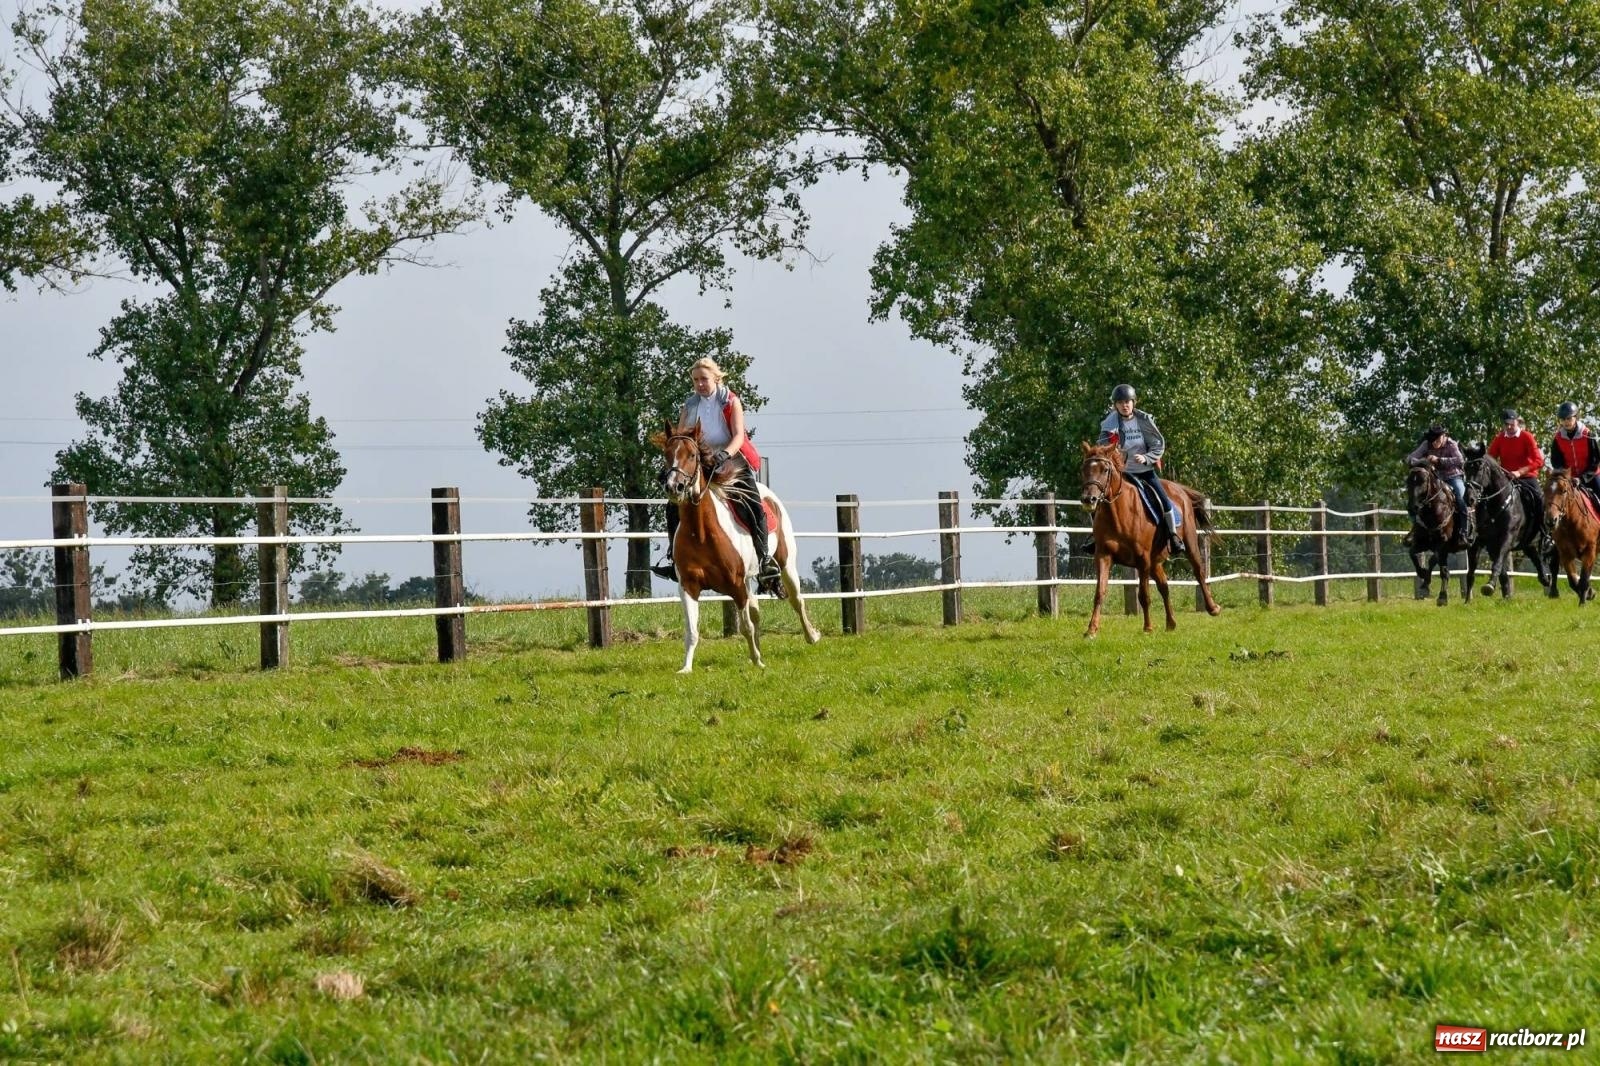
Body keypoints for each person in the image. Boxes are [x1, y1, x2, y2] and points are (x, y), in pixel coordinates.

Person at [650, 357, 783, 596]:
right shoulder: (690, 404)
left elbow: (739, 437)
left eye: (703, 379)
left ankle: (765, 560)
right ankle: (674, 559)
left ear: (716, 378)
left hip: (732, 463)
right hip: (700, 465)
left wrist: (725, 454)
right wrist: (672, 466)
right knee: (673, 506)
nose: (699, 384)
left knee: (752, 503)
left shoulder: (731, 401)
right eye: (695, 380)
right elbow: (680, 438)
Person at [1097, 384, 1183, 555]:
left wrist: (1147, 458)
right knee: (1099, 500)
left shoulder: (1144, 420)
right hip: (1122, 474)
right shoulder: (1109, 423)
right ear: (1115, 405)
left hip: (1144, 471)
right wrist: (1116, 456)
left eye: (1127, 401)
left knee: (1164, 501)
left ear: (1133, 402)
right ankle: (1096, 537)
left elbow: (1158, 445)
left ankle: (1173, 536)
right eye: (1120, 402)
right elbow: (1102, 446)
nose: (1124, 405)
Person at [1406, 424, 1472, 547]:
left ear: (1443, 436)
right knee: (1414, 498)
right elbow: (1410, 458)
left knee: (1461, 498)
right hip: (1436, 478)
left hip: (1453, 477)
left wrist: (1439, 460)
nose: (1434, 442)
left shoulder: (1451, 444)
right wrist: (1423, 462)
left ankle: (1464, 532)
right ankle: (1415, 530)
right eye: (1432, 439)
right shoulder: (1426, 444)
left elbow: (1460, 460)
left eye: (1437, 439)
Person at [1486, 408, 1545, 515]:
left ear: (1517, 422)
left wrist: (1520, 472)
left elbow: (1538, 461)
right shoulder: (1499, 438)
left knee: (1540, 499)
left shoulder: (1527, 436)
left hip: (1527, 478)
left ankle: (1544, 530)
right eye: (1505, 424)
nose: (1508, 427)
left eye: (1511, 424)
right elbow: (1489, 458)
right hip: (1507, 479)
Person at [1549, 400, 1600, 498]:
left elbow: (1595, 461)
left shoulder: (1588, 435)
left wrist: (1582, 479)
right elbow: (1556, 462)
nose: (1566, 422)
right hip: (1569, 479)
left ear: (1575, 417)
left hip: (1591, 477)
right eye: (1563, 420)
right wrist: (1566, 476)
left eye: (1569, 418)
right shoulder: (1557, 438)